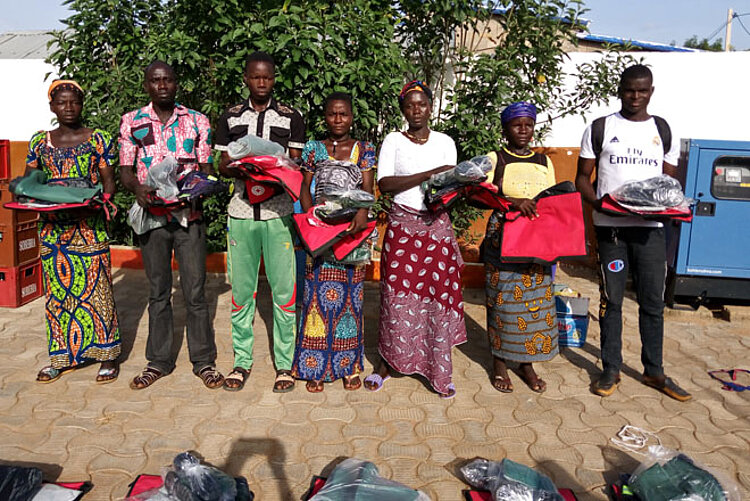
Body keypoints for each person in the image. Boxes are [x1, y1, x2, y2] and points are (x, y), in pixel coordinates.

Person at [575, 64, 691, 401]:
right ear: (620, 90)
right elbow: (583, 177)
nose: (635, 96)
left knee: (652, 302)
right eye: (629, 90)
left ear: (651, 91)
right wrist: (599, 206)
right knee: (611, 302)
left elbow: (669, 185)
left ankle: (654, 370)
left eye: (642, 90)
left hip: (651, 232)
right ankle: (610, 368)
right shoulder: (600, 128)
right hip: (611, 231)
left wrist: (666, 205)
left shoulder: (663, 130)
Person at [120, 60, 224, 390]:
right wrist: (139, 190)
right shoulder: (131, 121)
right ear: (146, 84)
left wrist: (197, 191)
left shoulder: (197, 121)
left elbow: (207, 167)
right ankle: (159, 361)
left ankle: (204, 361)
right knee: (158, 291)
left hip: (188, 217)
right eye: (155, 80)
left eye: (167, 80)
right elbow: (125, 169)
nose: (162, 85)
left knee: (195, 291)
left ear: (177, 83)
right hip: (153, 218)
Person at [364, 80, 466, 398]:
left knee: (436, 296)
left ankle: (438, 368)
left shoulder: (445, 142)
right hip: (402, 225)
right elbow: (386, 183)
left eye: (422, 104)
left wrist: (448, 186)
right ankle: (387, 362)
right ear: (403, 109)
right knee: (396, 297)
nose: (416, 110)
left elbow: (452, 183)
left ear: (430, 106)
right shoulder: (393, 141)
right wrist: (427, 175)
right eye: (410, 105)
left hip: (436, 226)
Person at [216, 51, 305, 393]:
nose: (262, 82)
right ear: (246, 79)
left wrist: (271, 168)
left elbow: (295, 165)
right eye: (256, 77)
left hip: (278, 212)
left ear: (274, 79)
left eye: (267, 77)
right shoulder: (231, 115)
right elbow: (221, 163)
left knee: (284, 292)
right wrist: (243, 167)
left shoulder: (290, 117)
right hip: (240, 212)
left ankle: (285, 364)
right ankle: (242, 361)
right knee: (242, 292)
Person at [28, 80, 121, 384]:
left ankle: (107, 355)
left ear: (82, 104)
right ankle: (62, 356)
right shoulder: (40, 143)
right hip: (53, 232)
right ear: (52, 106)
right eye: (62, 103)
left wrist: (99, 204)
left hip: (88, 227)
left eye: (74, 102)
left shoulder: (99, 140)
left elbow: (109, 183)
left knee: (98, 289)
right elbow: (31, 183)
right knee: (59, 295)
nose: (68, 108)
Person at [290, 92, 376, 393]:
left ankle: (349, 365)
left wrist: (363, 214)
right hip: (321, 230)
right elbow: (304, 185)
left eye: (344, 114)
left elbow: (367, 187)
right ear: (325, 117)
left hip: (352, 230)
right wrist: (311, 216)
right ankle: (314, 365)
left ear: (352, 116)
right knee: (316, 298)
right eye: (332, 114)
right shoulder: (314, 148)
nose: (338, 120)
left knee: (350, 300)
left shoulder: (363, 149)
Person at [482, 102, 558, 394]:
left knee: (533, 303)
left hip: (535, 240)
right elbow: (479, 196)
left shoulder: (543, 161)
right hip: (502, 237)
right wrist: (512, 202)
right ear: (505, 130)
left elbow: (550, 200)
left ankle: (526, 363)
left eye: (528, 124)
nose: (523, 130)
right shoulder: (495, 159)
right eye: (517, 125)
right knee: (502, 302)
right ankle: (499, 363)